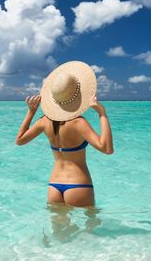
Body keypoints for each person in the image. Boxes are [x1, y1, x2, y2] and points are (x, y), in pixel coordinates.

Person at [15, 61, 114, 207]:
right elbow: (107, 149)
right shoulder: (78, 123)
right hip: (78, 185)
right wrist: (102, 114)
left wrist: (31, 112)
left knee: (57, 230)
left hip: (54, 186)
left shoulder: (44, 122)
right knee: (89, 228)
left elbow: (20, 140)